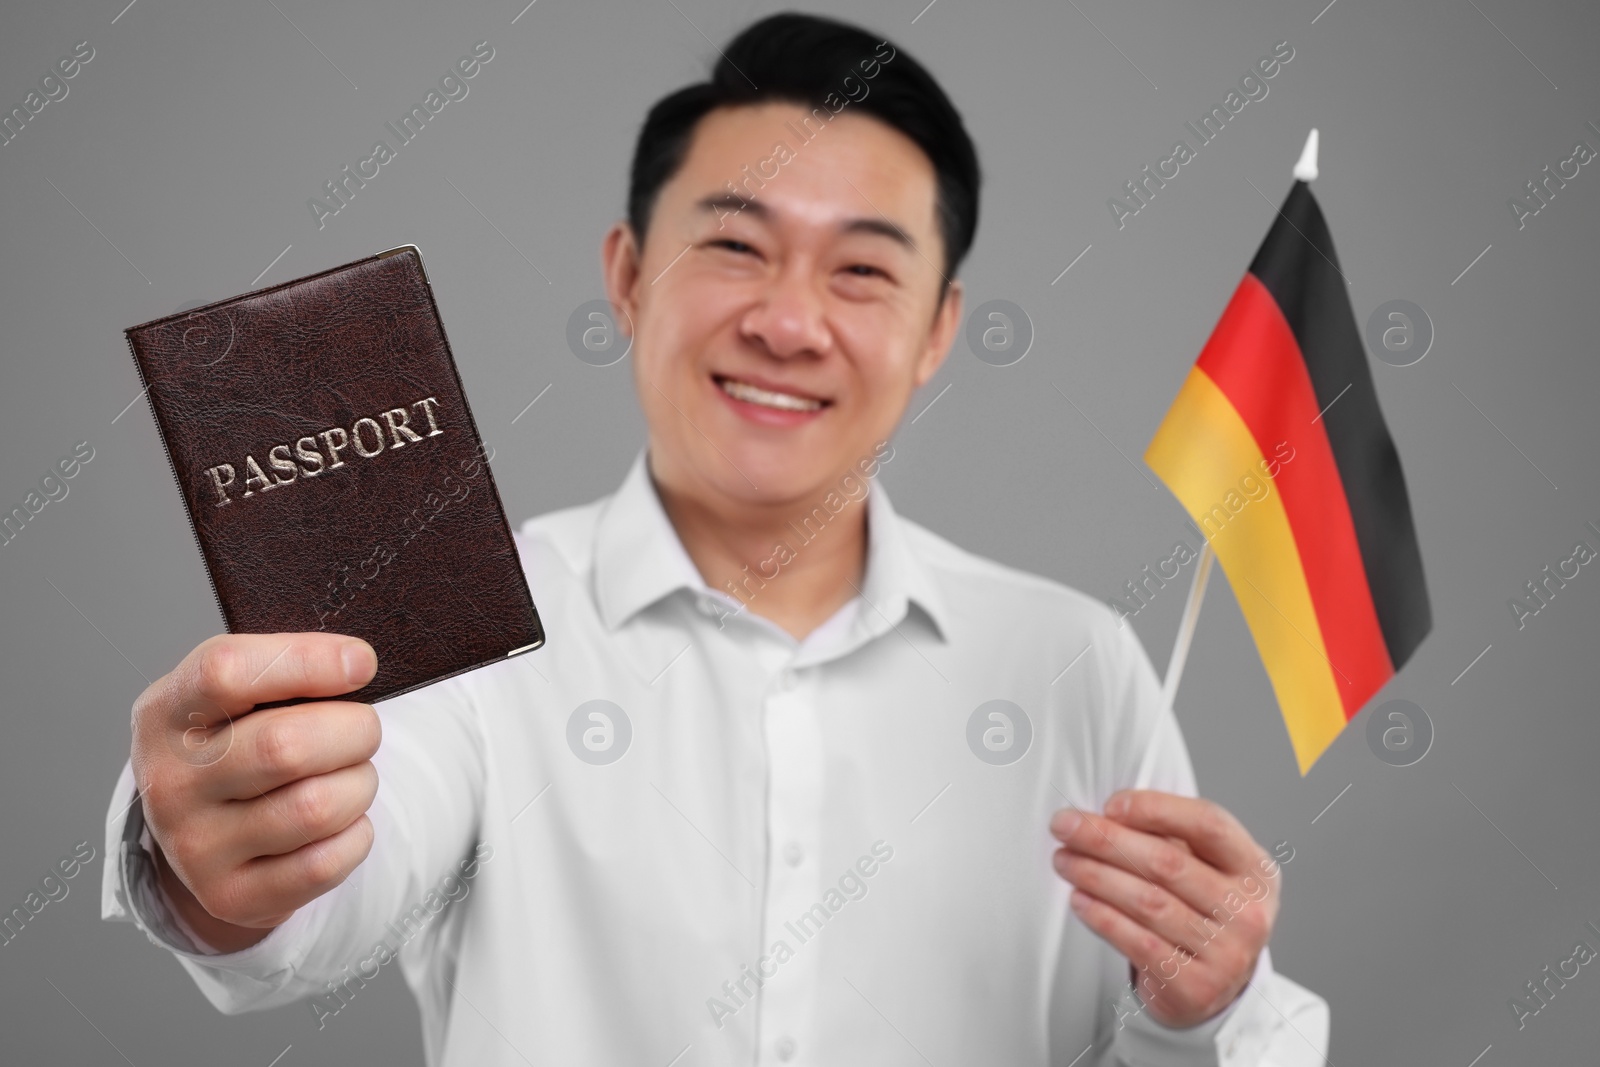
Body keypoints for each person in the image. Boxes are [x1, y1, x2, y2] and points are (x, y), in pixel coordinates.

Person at [102, 12, 1329, 1065]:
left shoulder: (1081, 663)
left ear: (939, 330)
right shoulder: (470, 615)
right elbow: (320, 898)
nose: (789, 320)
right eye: (734, 245)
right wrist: (213, 859)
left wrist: (1203, 1002)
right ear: (628, 274)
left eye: (861, 271)